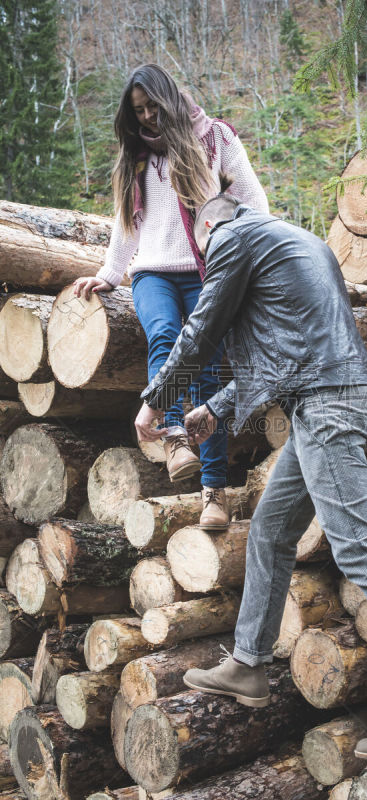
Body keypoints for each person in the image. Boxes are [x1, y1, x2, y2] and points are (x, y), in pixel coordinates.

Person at [135, 179, 367, 762]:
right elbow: (288, 351)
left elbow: (199, 334)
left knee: (362, 547)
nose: (205, 259)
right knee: (270, 530)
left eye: (201, 247)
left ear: (208, 231)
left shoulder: (232, 237)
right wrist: (210, 414)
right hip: (327, 395)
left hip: (323, 402)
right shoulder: (296, 242)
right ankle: (249, 664)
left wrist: (155, 399)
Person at [72, 63, 269, 530]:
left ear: (169, 98)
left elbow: (253, 200)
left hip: (206, 270)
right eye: (138, 112)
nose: (147, 119)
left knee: (207, 368)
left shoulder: (214, 138)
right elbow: (128, 224)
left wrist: (241, 250)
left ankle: (214, 492)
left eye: (152, 107)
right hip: (152, 273)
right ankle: (174, 437)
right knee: (163, 333)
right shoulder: (135, 155)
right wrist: (109, 272)